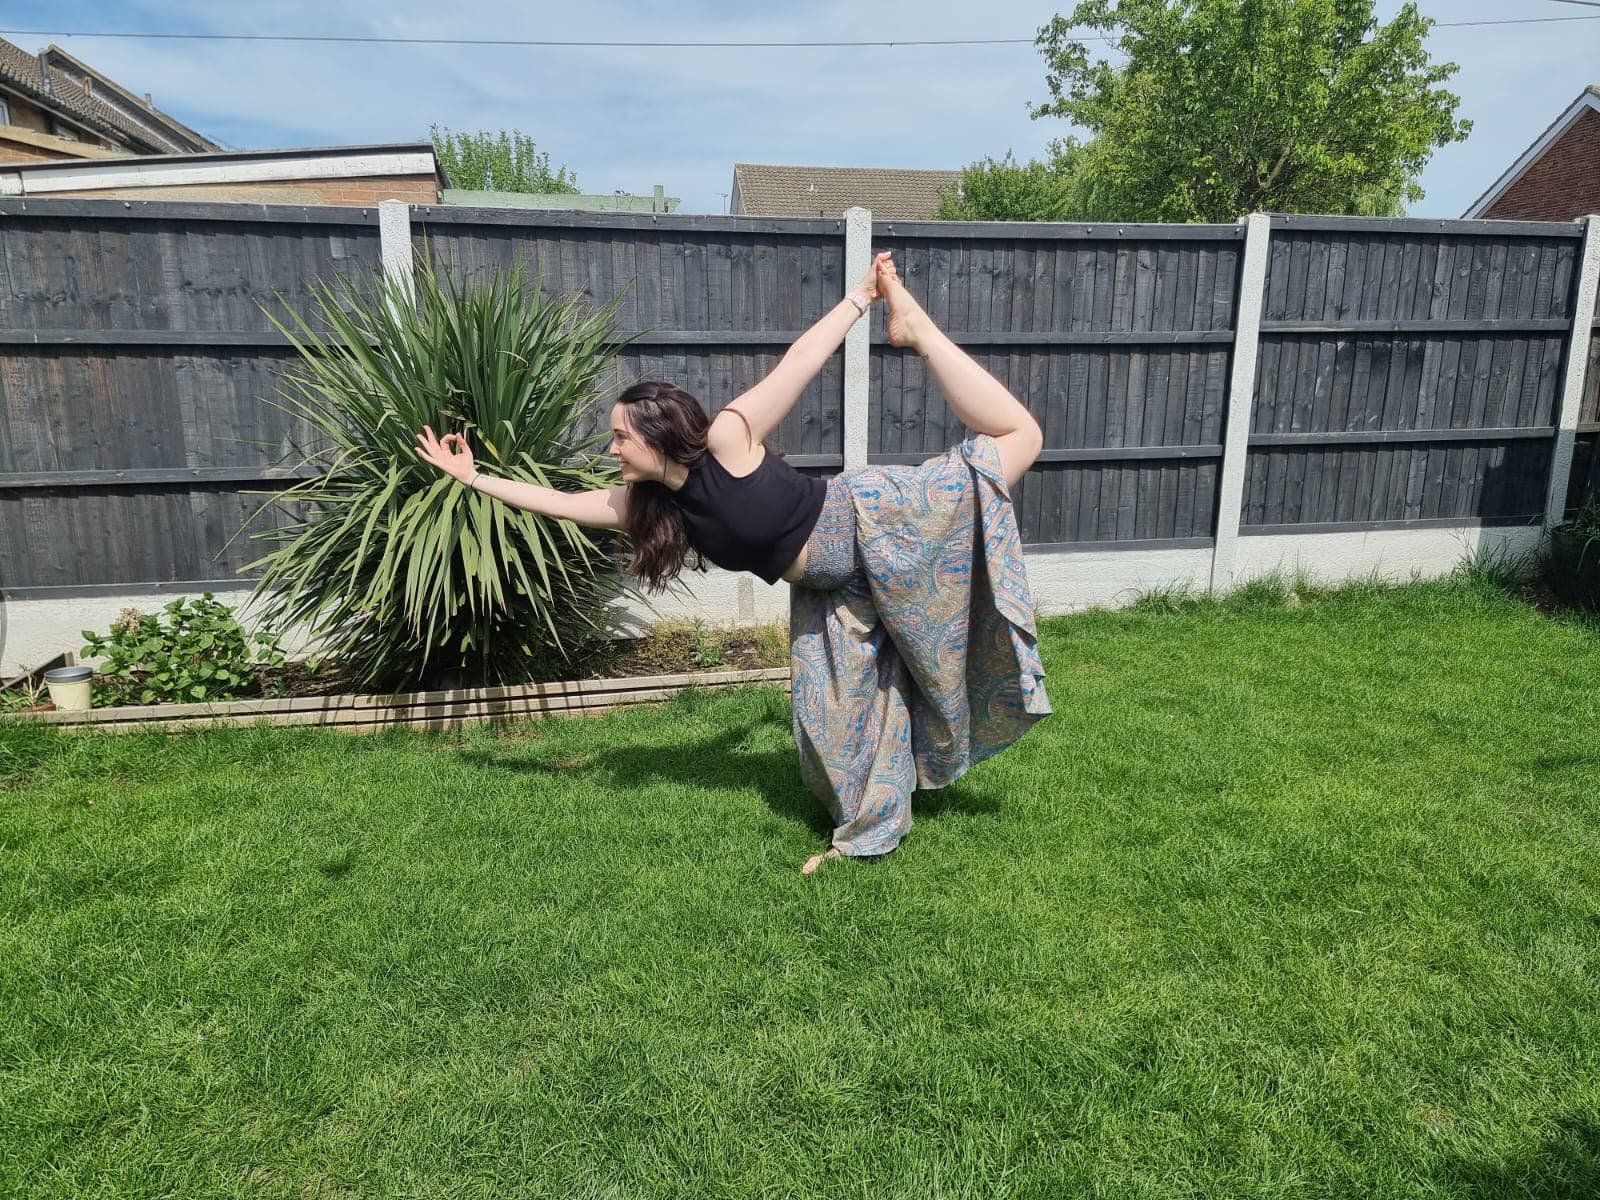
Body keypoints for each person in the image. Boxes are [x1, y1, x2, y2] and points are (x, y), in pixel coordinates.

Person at [415, 253, 1052, 874]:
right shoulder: (652, 506)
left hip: (875, 523)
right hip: (829, 591)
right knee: (828, 718)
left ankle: (916, 328)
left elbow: (800, 361)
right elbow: (558, 503)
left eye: (620, 436)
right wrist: (473, 479)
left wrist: (862, 298)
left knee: (1020, 439)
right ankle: (868, 832)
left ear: (656, 434)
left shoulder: (726, 440)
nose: (611, 449)